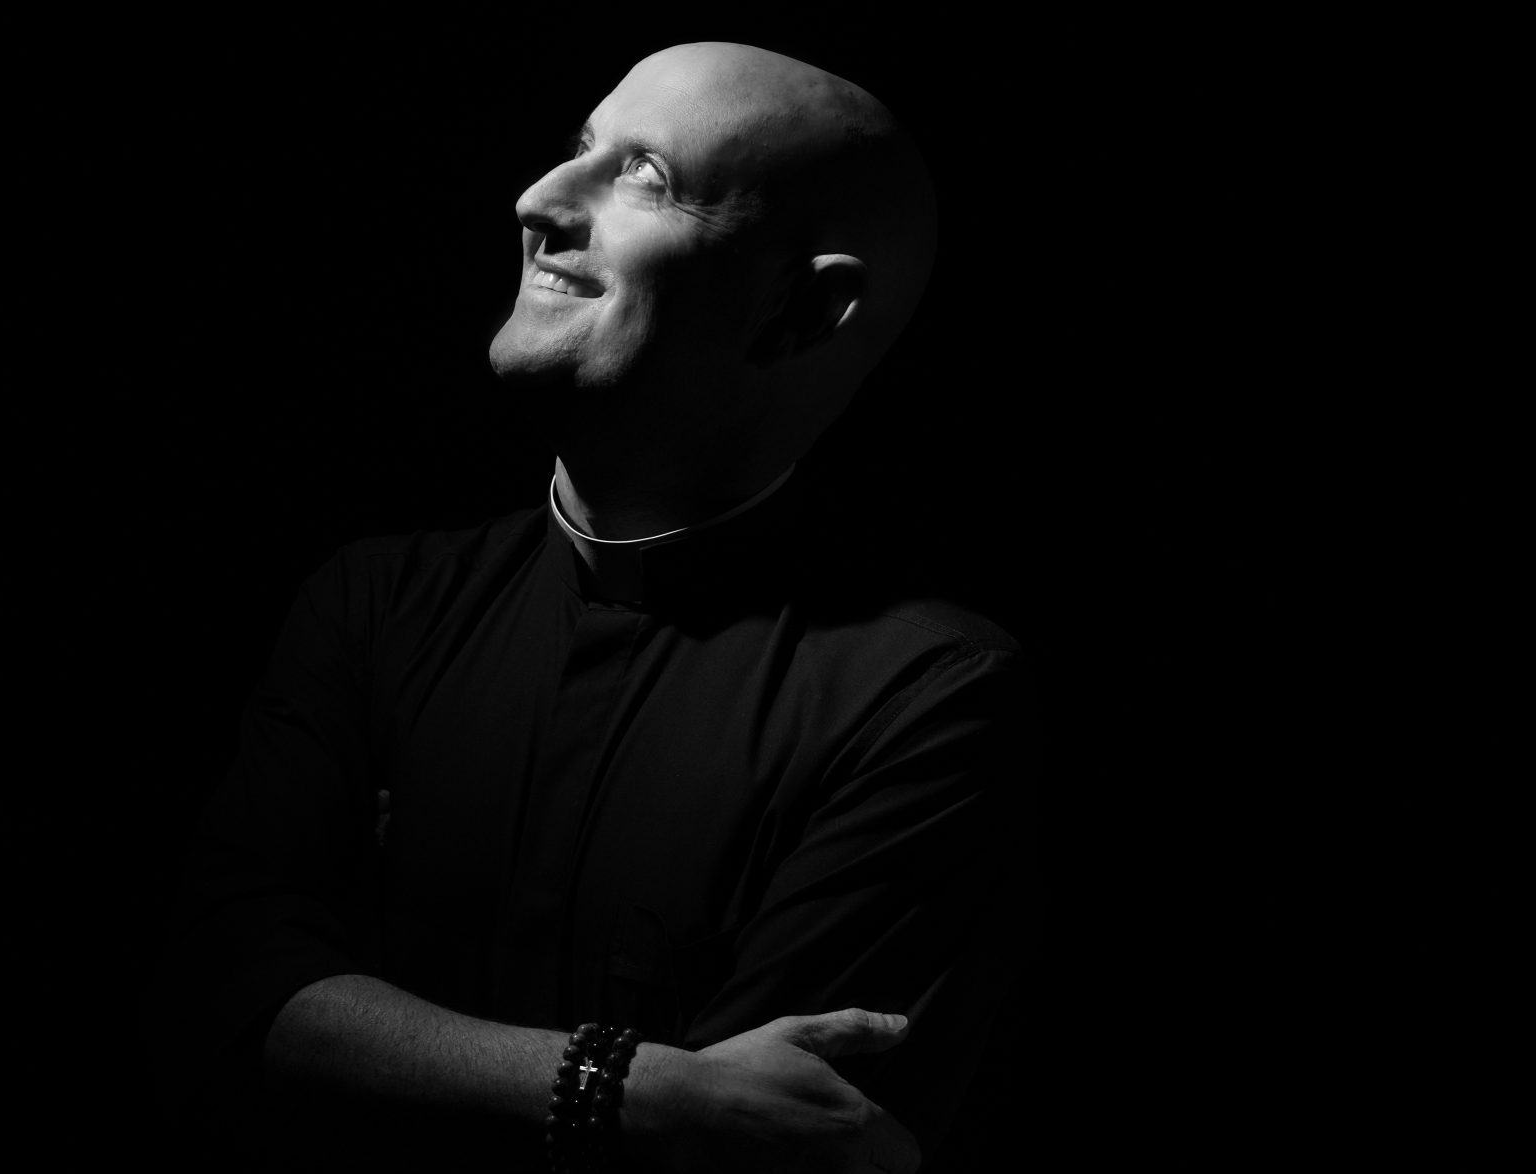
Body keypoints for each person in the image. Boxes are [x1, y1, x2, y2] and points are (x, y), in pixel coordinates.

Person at [148, 42, 1040, 1172]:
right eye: (579, 148)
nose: (537, 200)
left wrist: (358, 1044)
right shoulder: (374, 602)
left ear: (807, 308)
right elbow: (212, 996)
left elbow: (769, 1149)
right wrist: (636, 1087)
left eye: (646, 177)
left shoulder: (927, 699)